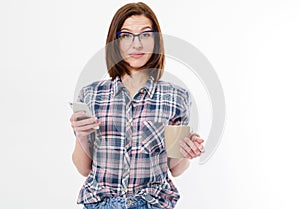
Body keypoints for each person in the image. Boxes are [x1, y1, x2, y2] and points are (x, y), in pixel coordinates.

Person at [70, 2, 205, 209]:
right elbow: (83, 168)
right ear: (115, 42)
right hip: (101, 203)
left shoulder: (176, 97)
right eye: (126, 35)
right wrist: (81, 136)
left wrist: (186, 151)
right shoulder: (91, 95)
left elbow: (176, 169)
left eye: (145, 34)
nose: (137, 44)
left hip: (151, 204)